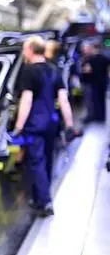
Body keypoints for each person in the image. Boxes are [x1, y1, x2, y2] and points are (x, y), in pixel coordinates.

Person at [12, 36, 76, 217]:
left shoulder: (29, 71)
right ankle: (38, 197)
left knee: (36, 161)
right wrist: (69, 124)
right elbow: (63, 100)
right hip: (52, 123)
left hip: (34, 124)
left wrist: (18, 125)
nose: (24, 52)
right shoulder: (54, 70)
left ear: (31, 50)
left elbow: (27, 99)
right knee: (47, 160)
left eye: (25, 49)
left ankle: (45, 200)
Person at [80, 41, 109, 124]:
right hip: (103, 83)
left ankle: (96, 117)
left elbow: (87, 70)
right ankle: (102, 117)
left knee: (94, 101)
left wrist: (82, 71)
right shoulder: (104, 58)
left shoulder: (91, 59)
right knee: (102, 100)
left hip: (93, 83)